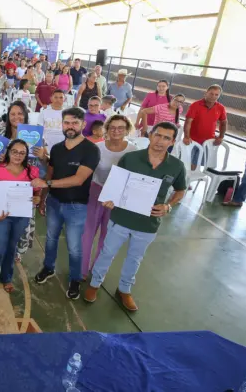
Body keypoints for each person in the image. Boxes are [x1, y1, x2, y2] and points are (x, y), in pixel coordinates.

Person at [84, 122, 187, 311]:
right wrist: (110, 198)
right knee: (107, 252)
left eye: (166, 138)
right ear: (150, 135)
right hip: (121, 218)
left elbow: (180, 190)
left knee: (135, 258)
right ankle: (95, 283)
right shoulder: (130, 158)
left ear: (172, 142)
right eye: (158, 135)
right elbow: (116, 184)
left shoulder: (177, 166)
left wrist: (168, 206)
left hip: (148, 223)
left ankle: (124, 289)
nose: (160, 141)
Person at [33, 107, 101, 299]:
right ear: (61, 124)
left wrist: (46, 184)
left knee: (74, 246)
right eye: (67, 122)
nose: (70, 126)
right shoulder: (56, 148)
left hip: (76, 206)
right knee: (51, 239)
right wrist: (43, 198)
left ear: (83, 124)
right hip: (54, 202)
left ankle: (75, 279)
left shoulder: (91, 150)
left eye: (75, 123)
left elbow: (78, 180)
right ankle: (48, 267)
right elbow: (51, 173)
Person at [0, 139, 41, 295]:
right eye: (14, 151)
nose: (18, 155)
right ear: (8, 152)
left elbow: (36, 194)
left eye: (22, 153)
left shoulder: (32, 171)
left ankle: (6, 278)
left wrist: (37, 199)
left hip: (21, 216)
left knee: (12, 247)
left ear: (26, 155)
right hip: (2, 217)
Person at [80, 115, 135, 278]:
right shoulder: (97, 148)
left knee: (108, 235)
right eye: (113, 127)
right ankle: (81, 270)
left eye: (120, 128)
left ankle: (98, 270)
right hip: (96, 191)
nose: (116, 131)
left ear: (127, 130)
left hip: (118, 196)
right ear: (107, 129)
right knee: (87, 232)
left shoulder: (133, 150)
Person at [183, 84, 227, 169]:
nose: (213, 96)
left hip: (208, 142)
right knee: (186, 163)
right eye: (211, 93)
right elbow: (188, 122)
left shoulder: (221, 108)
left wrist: (221, 137)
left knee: (197, 165)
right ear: (206, 93)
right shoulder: (195, 105)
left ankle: (192, 176)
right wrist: (186, 137)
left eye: (216, 94)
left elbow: (224, 123)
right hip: (192, 140)